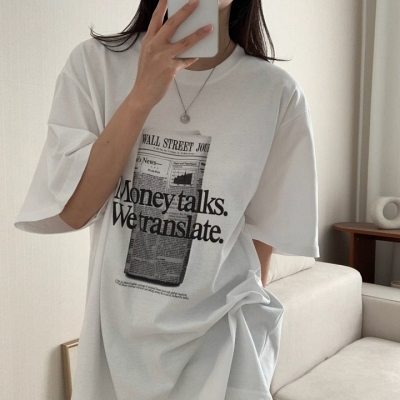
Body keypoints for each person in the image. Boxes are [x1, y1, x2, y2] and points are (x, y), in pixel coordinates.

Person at [15, 0, 319, 398]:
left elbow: (262, 239)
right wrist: (142, 95)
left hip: (224, 355)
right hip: (116, 351)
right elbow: (73, 211)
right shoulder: (96, 65)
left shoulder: (276, 93)